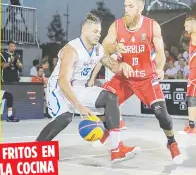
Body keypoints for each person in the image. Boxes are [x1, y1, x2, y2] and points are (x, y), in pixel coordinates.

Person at [90, 0, 183, 164]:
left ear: (140, 7)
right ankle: (111, 135)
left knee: (162, 115)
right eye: (125, 6)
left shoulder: (151, 25)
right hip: (124, 77)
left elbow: (160, 52)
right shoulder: (117, 26)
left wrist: (161, 67)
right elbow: (105, 47)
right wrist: (116, 47)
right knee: (101, 102)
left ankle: (172, 142)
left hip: (146, 78)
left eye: (131, 6)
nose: (127, 9)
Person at [35, 13, 141, 163]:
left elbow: (114, 66)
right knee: (65, 118)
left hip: (78, 88)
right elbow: (63, 80)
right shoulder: (72, 49)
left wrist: (122, 65)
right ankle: (37, 148)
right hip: (58, 88)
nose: (98, 35)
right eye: (94, 31)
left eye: (99, 31)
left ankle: (116, 149)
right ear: (84, 30)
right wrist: (78, 106)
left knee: (111, 98)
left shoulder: (98, 49)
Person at [183, 17, 196, 133]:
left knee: (192, 97)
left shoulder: (194, 36)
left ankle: (192, 126)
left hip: (195, 71)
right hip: (193, 69)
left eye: (187, 26)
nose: (185, 29)